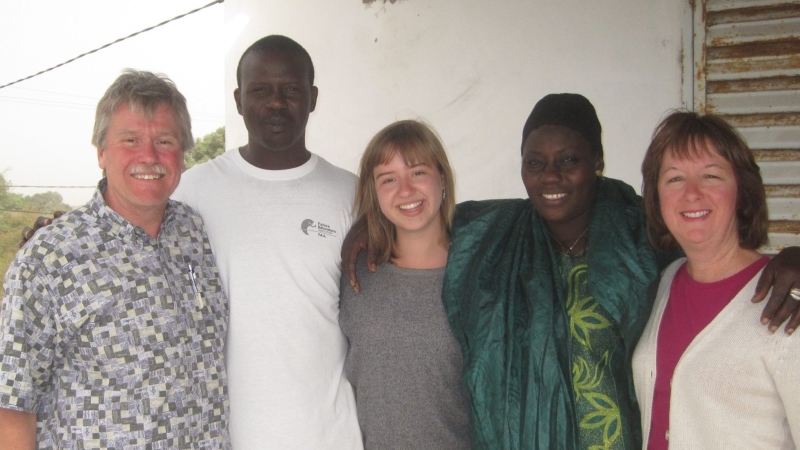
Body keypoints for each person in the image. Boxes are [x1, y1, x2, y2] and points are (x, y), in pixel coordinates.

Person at [343, 93, 800, 449]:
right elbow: (418, 218)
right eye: (535, 163)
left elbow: (717, 253)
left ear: (597, 162)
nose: (551, 177)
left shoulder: (644, 238)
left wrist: (791, 258)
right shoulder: (491, 236)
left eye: (569, 160)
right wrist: (364, 226)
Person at [0, 70, 230, 448]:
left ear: (182, 155)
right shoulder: (49, 258)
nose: (149, 156)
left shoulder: (196, 233)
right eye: (131, 140)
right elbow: (13, 405)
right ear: (102, 152)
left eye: (165, 141)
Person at [171, 35, 362, 447]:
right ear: (239, 100)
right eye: (261, 90)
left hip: (329, 437)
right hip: (224, 437)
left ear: (312, 98)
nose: (276, 103)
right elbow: (130, 246)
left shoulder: (352, 195)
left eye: (291, 90)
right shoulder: (193, 192)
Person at [632, 112, 800, 448]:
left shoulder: (787, 299)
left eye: (711, 175)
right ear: (657, 198)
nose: (692, 193)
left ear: (741, 190)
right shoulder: (665, 280)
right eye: (675, 179)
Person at [338, 120, 471, 449]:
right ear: (374, 192)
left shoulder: (477, 276)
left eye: (418, 172)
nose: (406, 190)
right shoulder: (356, 273)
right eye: (388, 179)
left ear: (442, 177)